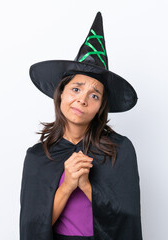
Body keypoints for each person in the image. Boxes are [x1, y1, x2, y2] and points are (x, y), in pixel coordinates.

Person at [20, 12, 143, 240]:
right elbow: (34, 225)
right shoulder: (39, 156)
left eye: (94, 95)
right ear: (61, 94)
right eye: (76, 89)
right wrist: (68, 185)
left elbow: (126, 221)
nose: (82, 100)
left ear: (101, 107)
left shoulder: (119, 150)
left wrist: (87, 185)